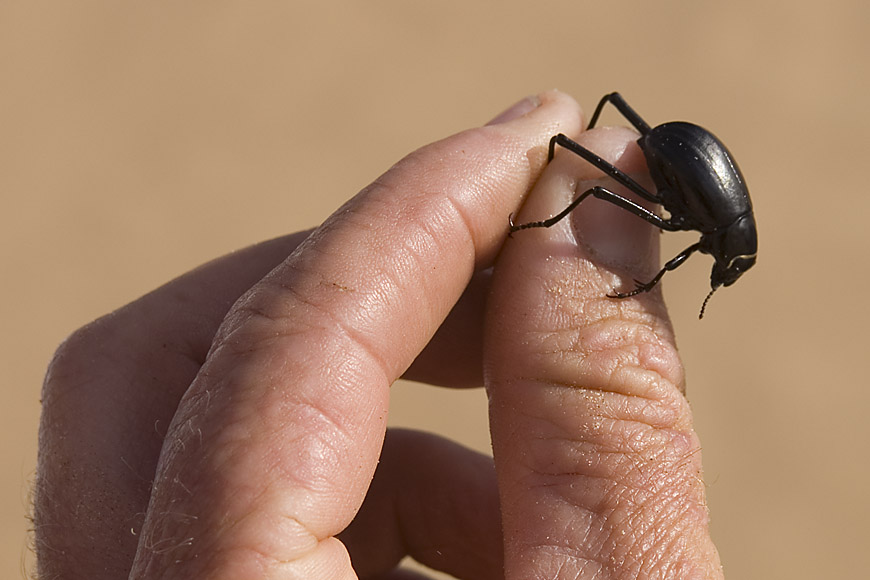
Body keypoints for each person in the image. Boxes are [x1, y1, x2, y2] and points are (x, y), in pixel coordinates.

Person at [35, 91, 723, 579]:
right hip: (661, 163)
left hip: (669, 157)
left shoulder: (717, 226)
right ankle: (551, 225)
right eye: (726, 262)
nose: (720, 266)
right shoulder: (707, 226)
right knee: (599, 188)